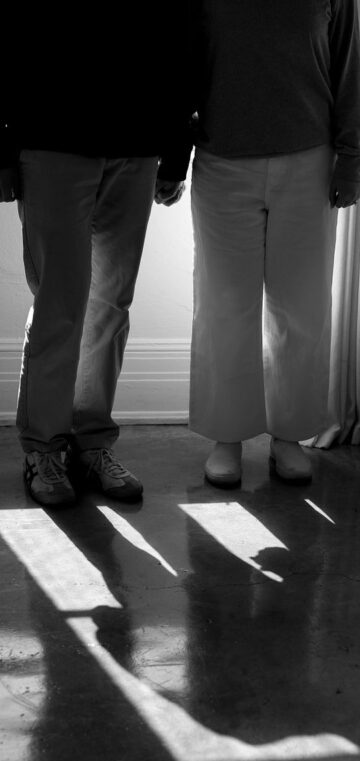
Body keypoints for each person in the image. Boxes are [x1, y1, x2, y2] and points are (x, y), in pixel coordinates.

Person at [0, 4, 189, 508]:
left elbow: (178, 41)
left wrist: (174, 151)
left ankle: (91, 444)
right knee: (61, 304)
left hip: (137, 142)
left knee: (110, 306)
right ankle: (44, 447)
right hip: (51, 140)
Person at [182, 0, 360, 487]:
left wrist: (351, 156)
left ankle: (288, 437)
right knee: (225, 307)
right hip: (222, 163)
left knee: (299, 309)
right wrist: (172, 156)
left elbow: (346, 67)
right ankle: (228, 437)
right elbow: (185, 66)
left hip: (309, 160)